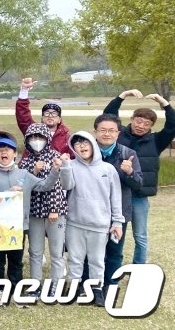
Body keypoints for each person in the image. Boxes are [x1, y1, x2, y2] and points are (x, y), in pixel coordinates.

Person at [0, 137, 69, 308]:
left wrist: (55, 171)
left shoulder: (23, 174)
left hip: (17, 226)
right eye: (0, 150)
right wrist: (8, 192)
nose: (4, 152)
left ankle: (14, 289)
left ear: (15, 154)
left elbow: (44, 186)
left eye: (8, 150)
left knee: (15, 260)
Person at [103, 89, 175, 264]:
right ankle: (110, 267)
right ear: (132, 120)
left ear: (151, 126)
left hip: (139, 196)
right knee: (113, 234)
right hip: (116, 194)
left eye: (147, 123)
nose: (141, 125)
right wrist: (122, 96)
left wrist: (163, 103)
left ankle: (139, 269)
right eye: (139, 121)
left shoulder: (156, 141)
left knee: (140, 236)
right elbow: (108, 115)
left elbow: (172, 125)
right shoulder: (118, 135)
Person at [61, 132, 125, 306]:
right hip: (75, 222)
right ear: (73, 148)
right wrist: (65, 167)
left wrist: (117, 222)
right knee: (75, 258)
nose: (82, 146)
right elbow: (66, 186)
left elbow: (115, 198)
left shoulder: (108, 169)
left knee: (97, 260)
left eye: (85, 142)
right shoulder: (71, 166)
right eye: (77, 144)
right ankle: (74, 288)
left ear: (92, 144)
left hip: (100, 224)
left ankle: (96, 290)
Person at [81, 114, 142, 293]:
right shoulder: (85, 153)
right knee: (87, 252)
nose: (107, 134)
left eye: (111, 130)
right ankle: (87, 285)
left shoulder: (128, 154)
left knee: (114, 251)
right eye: (103, 130)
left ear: (118, 132)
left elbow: (138, 184)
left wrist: (129, 172)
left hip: (118, 213)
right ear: (95, 132)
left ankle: (110, 285)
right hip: (90, 213)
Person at [18, 123, 69, 297]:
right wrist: (33, 170)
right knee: (35, 251)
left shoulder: (55, 156)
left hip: (55, 212)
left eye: (40, 137)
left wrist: (54, 208)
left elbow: (58, 184)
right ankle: (35, 284)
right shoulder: (25, 160)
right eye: (32, 138)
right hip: (34, 211)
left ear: (47, 138)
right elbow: (22, 185)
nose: (36, 141)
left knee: (56, 251)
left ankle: (56, 285)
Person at [16, 78, 75, 159]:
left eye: (54, 113)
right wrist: (24, 90)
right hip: (31, 170)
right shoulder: (32, 130)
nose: (50, 116)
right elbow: (22, 116)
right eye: (47, 113)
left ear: (59, 120)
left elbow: (73, 159)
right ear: (42, 118)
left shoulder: (67, 138)